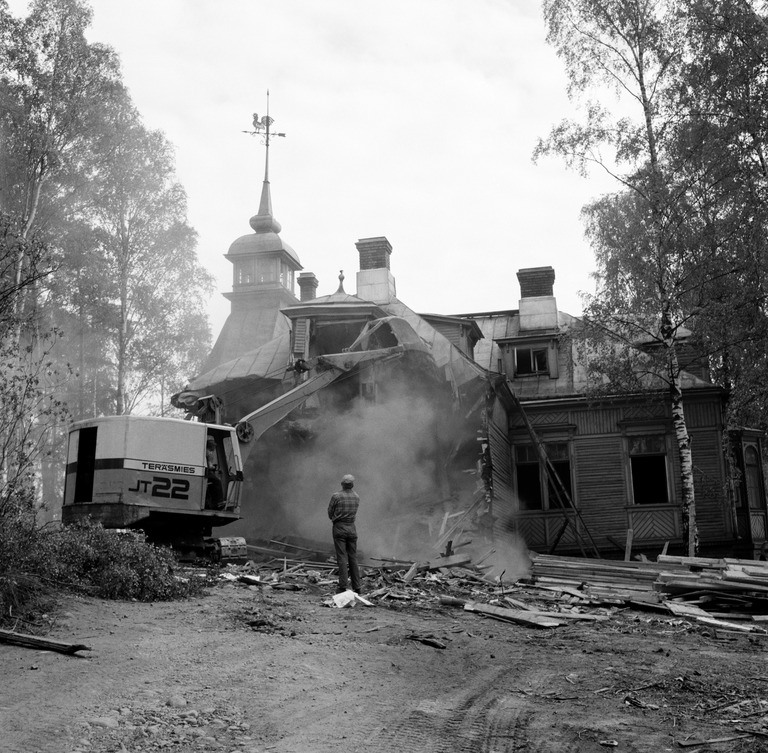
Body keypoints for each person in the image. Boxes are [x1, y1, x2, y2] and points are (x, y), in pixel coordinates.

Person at [327, 474, 362, 594]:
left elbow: (330, 512)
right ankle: (357, 587)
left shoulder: (336, 496)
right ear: (352, 485)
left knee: (342, 557)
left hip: (339, 527)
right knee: (353, 557)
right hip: (352, 528)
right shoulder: (356, 497)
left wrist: (335, 519)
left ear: (342, 484)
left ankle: (343, 586)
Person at [205, 437, 225, 510]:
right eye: (212, 449)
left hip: (205, 471)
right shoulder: (208, 453)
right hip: (205, 472)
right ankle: (219, 502)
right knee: (217, 482)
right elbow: (210, 466)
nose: (212, 451)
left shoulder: (204, 451)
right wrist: (214, 468)